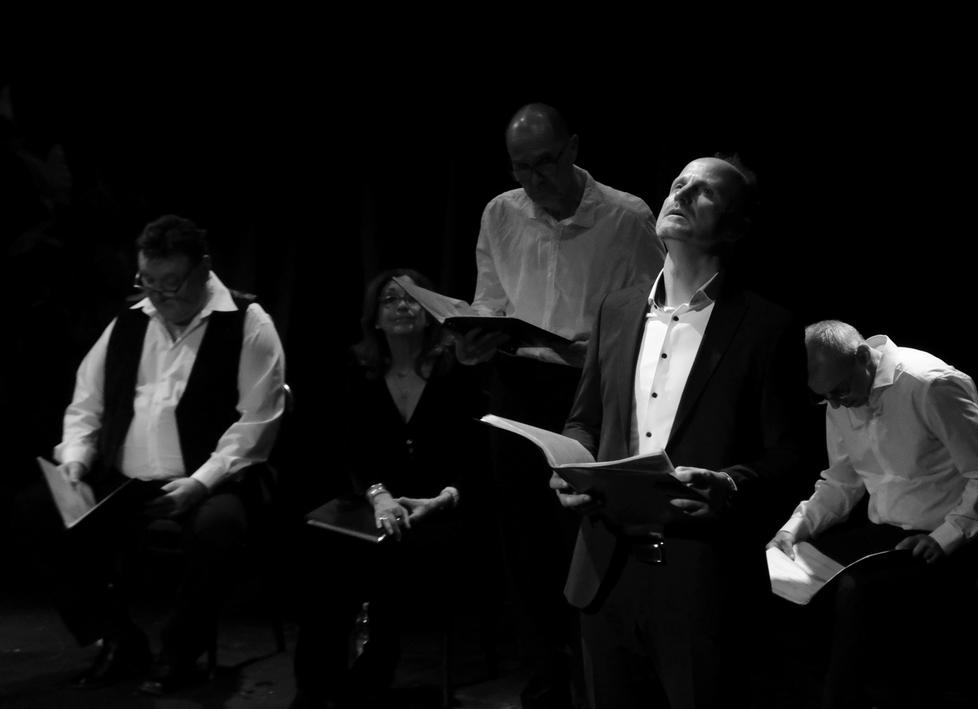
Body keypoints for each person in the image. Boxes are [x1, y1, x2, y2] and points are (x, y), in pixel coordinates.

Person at [551, 156, 817, 709]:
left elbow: (794, 454)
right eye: (679, 184)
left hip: (702, 582)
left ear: (736, 227)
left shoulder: (767, 327)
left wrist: (731, 483)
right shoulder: (617, 309)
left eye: (705, 192)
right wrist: (571, 463)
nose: (684, 194)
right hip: (605, 569)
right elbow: (585, 419)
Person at [457, 103, 664, 709]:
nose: (534, 179)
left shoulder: (626, 216)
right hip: (517, 382)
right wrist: (474, 340)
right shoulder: (500, 212)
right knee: (523, 540)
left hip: (589, 387)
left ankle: (604, 674)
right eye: (521, 167)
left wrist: (598, 349)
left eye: (545, 162)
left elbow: (655, 314)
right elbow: (490, 301)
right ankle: (547, 676)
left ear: (573, 148)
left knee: (585, 533)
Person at [31, 214, 286, 694]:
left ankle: (180, 651)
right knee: (35, 514)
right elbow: (87, 403)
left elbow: (257, 422)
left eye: (172, 284)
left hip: (209, 479)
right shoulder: (130, 320)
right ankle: (118, 637)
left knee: (218, 529)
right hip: (124, 481)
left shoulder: (248, 322)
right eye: (148, 282)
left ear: (203, 268)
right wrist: (77, 460)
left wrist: (200, 483)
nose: (160, 296)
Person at [767, 320, 978, 709]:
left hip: (947, 537)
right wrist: (792, 530)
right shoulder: (841, 394)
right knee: (782, 579)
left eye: (839, 391)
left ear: (862, 357)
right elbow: (842, 482)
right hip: (886, 535)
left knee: (856, 593)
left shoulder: (930, 385)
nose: (836, 404)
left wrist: (945, 537)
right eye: (825, 397)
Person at [290, 269, 485, 709]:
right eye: (390, 299)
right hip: (374, 500)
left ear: (430, 312)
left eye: (412, 298)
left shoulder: (457, 371)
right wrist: (378, 494)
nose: (402, 306)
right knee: (324, 550)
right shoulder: (357, 370)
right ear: (374, 318)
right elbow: (346, 451)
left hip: (443, 506)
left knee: (389, 552)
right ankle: (315, 686)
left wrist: (445, 497)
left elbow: (477, 454)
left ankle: (372, 672)